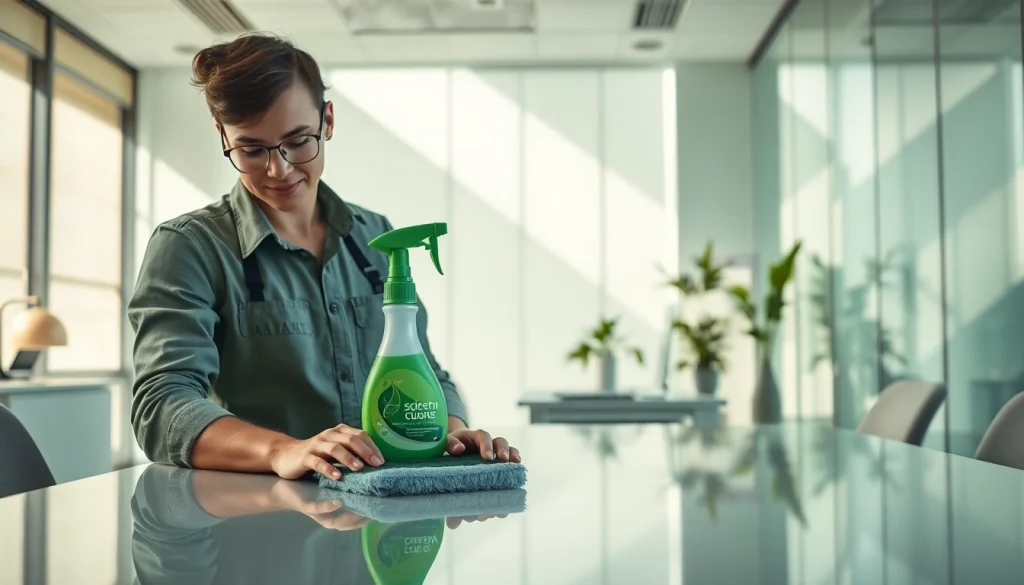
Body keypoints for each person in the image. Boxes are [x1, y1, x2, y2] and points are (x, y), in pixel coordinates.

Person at [128, 33, 520, 481]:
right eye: (252, 150)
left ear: (327, 120)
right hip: (261, 517)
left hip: (382, 513)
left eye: (298, 141)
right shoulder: (188, 246)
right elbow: (162, 406)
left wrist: (451, 433)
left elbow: (426, 370)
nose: (280, 169)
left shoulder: (378, 236)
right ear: (223, 135)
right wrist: (284, 451)